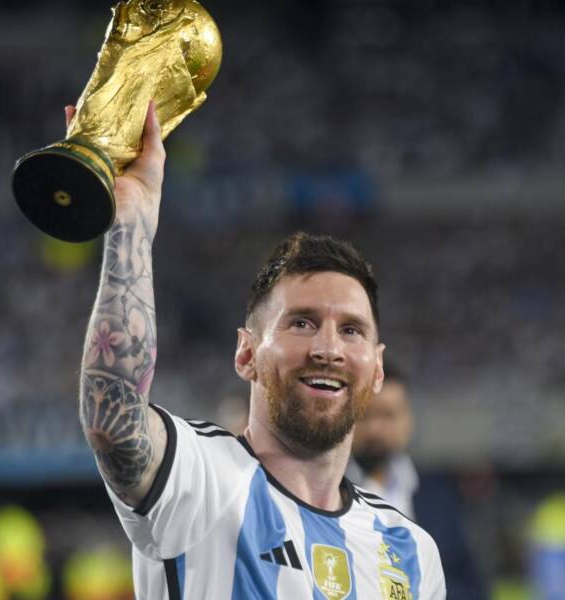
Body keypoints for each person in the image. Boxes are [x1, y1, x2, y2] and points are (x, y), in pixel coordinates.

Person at [72, 101, 445, 598]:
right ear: (246, 354)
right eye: (301, 323)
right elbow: (113, 422)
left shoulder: (411, 550)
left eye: (351, 330)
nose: (328, 348)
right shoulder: (202, 478)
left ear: (376, 369)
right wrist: (132, 220)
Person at [350, 370, 488, 599]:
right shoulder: (326, 493)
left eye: (388, 415)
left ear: (408, 420)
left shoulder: (439, 495)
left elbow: (469, 581)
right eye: (364, 415)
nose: (375, 429)